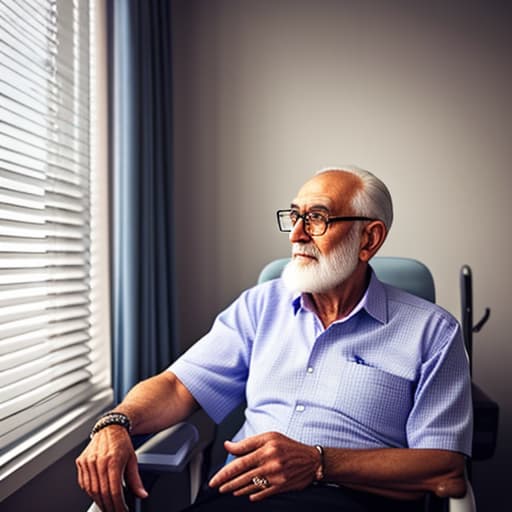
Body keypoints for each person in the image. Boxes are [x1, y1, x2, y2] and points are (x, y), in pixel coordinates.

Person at [77, 167, 472, 512]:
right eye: (295, 216)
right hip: (241, 498)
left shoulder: (433, 332)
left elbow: (446, 468)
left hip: (352, 502)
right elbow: (179, 387)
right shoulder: (260, 305)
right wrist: (117, 423)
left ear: (368, 239)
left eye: (317, 218)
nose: (297, 234)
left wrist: (318, 462)